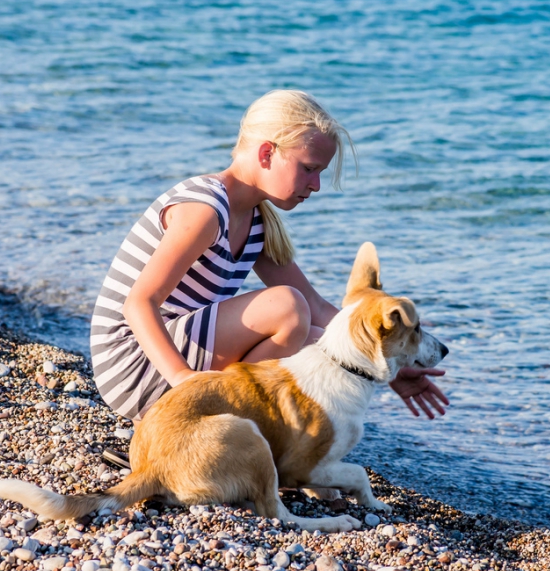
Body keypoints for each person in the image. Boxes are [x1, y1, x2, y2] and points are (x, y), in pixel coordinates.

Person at [90, 90, 448, 468]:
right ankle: (197, 436)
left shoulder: (257, 221)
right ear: (266, 154)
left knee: (315, 342)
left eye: (320, 173)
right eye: (309, 168)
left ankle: (253, 448)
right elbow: (138, 304)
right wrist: (184, 381)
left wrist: (387, 368)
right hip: (132, 364)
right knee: (287, 308)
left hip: (167, 355)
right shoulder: (204, 209)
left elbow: (319, 308)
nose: (316, 185)